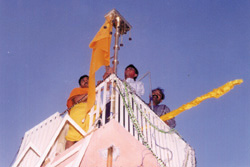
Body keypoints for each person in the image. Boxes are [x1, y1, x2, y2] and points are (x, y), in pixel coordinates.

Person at [65, 75, 90, 149]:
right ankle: (67, 155)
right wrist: (90, 94)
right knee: (73, 135)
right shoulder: (76, 90)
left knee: (86, 133)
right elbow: (77, 100)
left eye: (87, 80)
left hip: (88, 111)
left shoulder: (93, 90)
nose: (86, 81)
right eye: (83, 80)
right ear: (80, 85)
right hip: (78, 111)